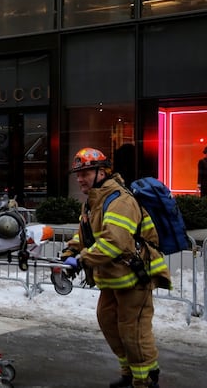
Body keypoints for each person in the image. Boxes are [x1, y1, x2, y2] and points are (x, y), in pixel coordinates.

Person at [62, 147, 171, 388]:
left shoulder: (120, 201)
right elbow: (87, 237)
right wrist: (71, 250)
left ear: (103, 172)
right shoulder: (92, 203)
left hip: (134, 278)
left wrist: (82, 260)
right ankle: (128, 373)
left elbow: (114, 242)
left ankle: (145, 380)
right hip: (112, 279)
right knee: (109, 323)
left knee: (133, 332)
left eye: (86, 173)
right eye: (78, 174)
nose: (80, 179)